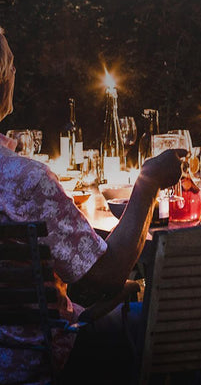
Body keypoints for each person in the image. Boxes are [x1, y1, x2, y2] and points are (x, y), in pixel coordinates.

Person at [0, 27, 183, 385]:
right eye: (12, 68)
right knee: (165, 324)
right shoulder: (26, 181)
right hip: (41, 363)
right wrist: (148, 182)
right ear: (4, 82)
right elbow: (107, 274)